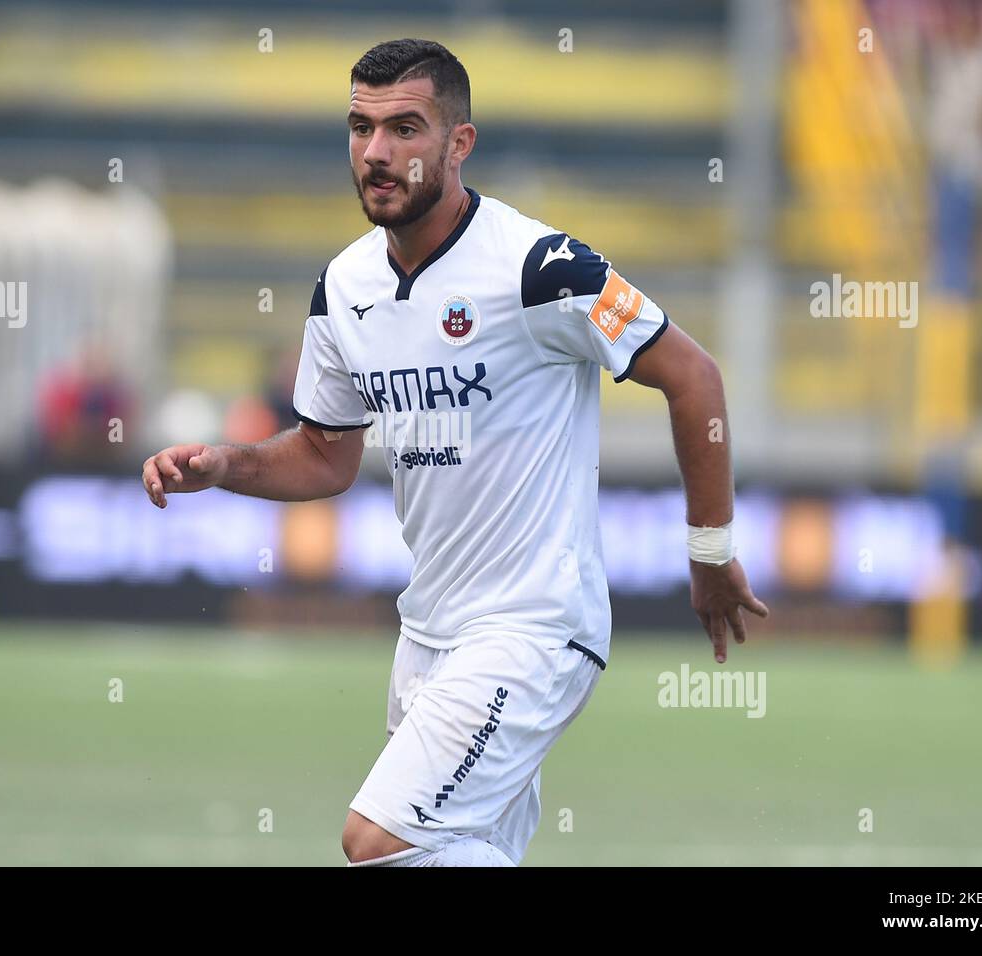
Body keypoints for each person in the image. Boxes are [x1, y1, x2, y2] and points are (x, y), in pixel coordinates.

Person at [141, 39, 768, 867]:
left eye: (405, 128)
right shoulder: (344, 289)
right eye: (361, 129)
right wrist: (228, 466)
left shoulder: (540, 268)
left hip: (534, 626)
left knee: (377, 842)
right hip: (427, 635)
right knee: (451, 854)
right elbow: (327, 456)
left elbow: (693, 376)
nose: (377, 153)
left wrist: (711, 549)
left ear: (457, 143)